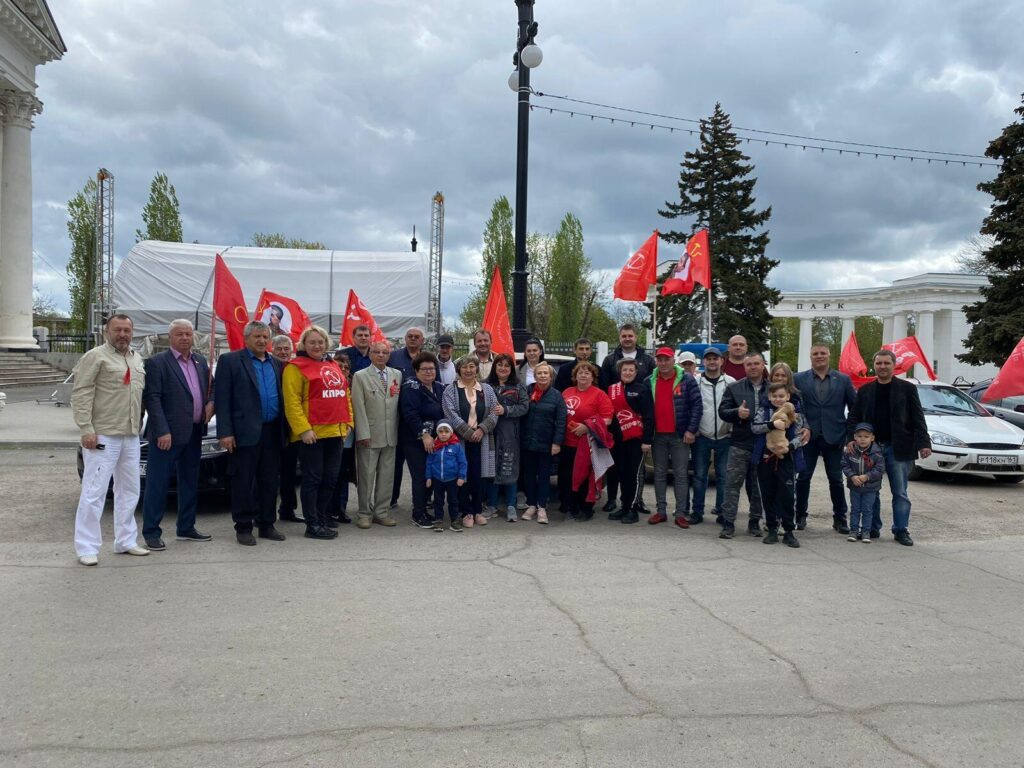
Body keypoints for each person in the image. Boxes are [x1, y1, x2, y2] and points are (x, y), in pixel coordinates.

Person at [71, 314, 150, 565]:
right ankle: (86, 547)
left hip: (130, 434)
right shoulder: (95, 356)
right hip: (103, 433)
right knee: (94, 491)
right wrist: (86, 428)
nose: (123, 334)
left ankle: (126, 540)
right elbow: (81, 393)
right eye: (118, 330)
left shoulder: (136, 358)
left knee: (129, 490)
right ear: (107, 331)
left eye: (127, 330)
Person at [141, 319, 214, 551]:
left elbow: (210, 388)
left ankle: (186, 527)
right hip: (167, 435)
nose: (184, 338)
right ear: (170, 337)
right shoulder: (157, 363)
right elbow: (152, 398)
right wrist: (162, 430)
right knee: (158, 483)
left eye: (188, 334)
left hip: (194, 432)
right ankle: (152, 532)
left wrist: (211, 403)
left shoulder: (200, 361)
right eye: (179, 334)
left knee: (189, 482)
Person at [846, 349, 931, 546]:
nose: (882, 367)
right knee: (871, 491)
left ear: (894, 365)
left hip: (898, 448)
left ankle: (901, 530)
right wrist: (850, 438)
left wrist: (924, 443)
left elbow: (918, 417)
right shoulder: (865, 390)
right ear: (874, 366)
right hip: (870, 450)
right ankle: (872, 527)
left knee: (900, 492)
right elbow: (854, 417)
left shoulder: (907, 389)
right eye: (879, 363)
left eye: (886, 363)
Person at [214, 320, 287, 546]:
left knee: (269, 481)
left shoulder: (276, 363)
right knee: (243, 482)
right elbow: (222, 399)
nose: (262, 341)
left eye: (265, 337)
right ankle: (244, 527)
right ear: (246, 339)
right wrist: (225, 432)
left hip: (272, 431)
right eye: (257, 337)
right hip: (243, 432)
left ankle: (266, 524)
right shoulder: (230, 361)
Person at [282, 326, 351, 540]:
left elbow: (345, 394)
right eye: (312, 342)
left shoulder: (332, 365)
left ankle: (322, 518)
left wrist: (349, 423)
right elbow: (292, 402)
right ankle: (312, 524)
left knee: (330, 478)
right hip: (312, 435)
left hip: (336, 432)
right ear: (303, 344)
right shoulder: (295, 368)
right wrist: (303, 429)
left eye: (320, 342)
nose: (317, 346)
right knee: (313, 479)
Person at [794, 343, 858, 534]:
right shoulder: (798, 378)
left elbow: (854, 409)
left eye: (823, 353)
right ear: (810, 356)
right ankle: (800, 515)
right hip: (807, 436)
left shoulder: (843, 380)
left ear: (829, 355)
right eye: (815, 353)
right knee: (803, 477)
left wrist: (850, 435)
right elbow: (794, 407)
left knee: (836, 479)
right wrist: (800, 427)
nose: (819, 356)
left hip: (834, 436)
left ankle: (840, 518)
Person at [642, 347, 702, 529]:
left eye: (666, 359)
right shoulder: (649, 380)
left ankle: (681, 513)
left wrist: (691, 430)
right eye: (660, 359)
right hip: (658, 435)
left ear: (673, 361)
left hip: (679, 435)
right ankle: (661, 511)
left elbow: (697, 406)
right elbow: (645, 411)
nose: (663, 363)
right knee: (659, 474)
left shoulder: (687, 379)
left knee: (681, 475)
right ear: (656, 361)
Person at [442, 356, 499, 528]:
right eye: (464, 367)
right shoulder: (451, 390)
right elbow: (450, 413)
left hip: (482, 439)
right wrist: (468, 432)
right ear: (458, 370)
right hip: (460, 441)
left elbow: (495, 411)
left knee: (479, 476)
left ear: (476, 369)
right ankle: (466, 511)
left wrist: (481, 429)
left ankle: (477, 510)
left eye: (472, 366)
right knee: (462, 475)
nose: (468, 370)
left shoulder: (486, 389)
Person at [351, 341, 402, 528]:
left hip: (390, 434)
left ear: (389, 355)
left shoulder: (397, 374)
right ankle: (364, 513)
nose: (381, 355)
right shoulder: (360, 376)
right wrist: (363, 433)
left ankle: (381, 512)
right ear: (370, 354)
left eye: (384, 352)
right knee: (366, 476)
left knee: (387, 477)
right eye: (377, 352)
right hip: (370, 434)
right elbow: (358, 406)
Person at [717, 352, 768, 539]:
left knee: (757, 488)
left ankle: (754, 522)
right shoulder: (734, 387)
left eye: (756, 363)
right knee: (732, 485)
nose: (753, 367)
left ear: (763, 365)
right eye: (749, 364)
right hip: (739, 443)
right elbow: (722, 411)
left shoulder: (772, 388)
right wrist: (736, 412)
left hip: (763, 446)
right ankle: (728, 523)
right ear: (744, 367)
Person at [751, 381, 807, 548]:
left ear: (788, 396)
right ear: (769, 396)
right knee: (768, 494)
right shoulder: (763, 411)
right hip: (766, 458)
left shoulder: (795, 414)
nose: (778, 399)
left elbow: (801, 436)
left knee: (787, 495)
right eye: (774, 396)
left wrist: (789, 447)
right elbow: (754, 427)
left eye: (781, 396)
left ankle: (789, 531)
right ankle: (772, 529)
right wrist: (771, 425)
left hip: (787, 459)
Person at [559, 361, 614, 521]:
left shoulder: (599, 394)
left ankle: (586, 508)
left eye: (587, 373)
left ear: (593, 377)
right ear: (575, 376)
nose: (583, 375)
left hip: (588, 444)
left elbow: (607, 419)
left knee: (585, 477)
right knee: (567, 476)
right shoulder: (567, 392)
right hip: (567, 443)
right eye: (580, 372)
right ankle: (571, 506)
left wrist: (587, 427)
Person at [398, 351, 446, 529]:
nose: (429, 372)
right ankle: (418, 514)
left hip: (436, 440)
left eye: (431, 368)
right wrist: (424, 434)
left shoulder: (439, 387)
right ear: (416, 371)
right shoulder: (411, 386)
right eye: (424, 369)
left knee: (431, 475)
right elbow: (410, 414)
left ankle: (424, 506)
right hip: (415, 441)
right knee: (420, 476)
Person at [689, 347, 735, 525]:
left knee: (723, 476)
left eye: (715, 358)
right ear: (703, 361)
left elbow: (735, 406)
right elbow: (690, 405)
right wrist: (693, 428)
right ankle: (697, 512)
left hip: (725, 436)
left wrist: (732, 428)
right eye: (708, 359)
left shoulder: (730, 382)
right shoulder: (696, 381)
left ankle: (722, 511)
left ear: (721, 361)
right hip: (702, 436)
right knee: (700, 476)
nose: (712, 362)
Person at [606, 358, 653, 524]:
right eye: (624, 370)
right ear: (620, 372)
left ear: (636, 372)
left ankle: (633, 508)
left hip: (636, 439)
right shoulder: (612, 389)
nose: (627, 373)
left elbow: (649, 416)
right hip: (618, 440)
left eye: (631, 370)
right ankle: (624, 506)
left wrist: (647, 440)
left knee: (633, 475)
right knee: (622, 474)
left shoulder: (642, 390)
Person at [486, 353, 529, 522]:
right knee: (491, 470)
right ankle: (492, 505)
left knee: (509, 468)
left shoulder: (518, 387)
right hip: (489, 434)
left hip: (510, 434)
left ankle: (511, 505)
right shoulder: (485, 385)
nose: (503, 368)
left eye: (506, 365)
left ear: (511, 369)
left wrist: (507, 410)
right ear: (494, 367)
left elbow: (525, 407)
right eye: (499, 365)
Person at [521, 362, 566, 525]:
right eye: (539, 373)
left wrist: (557, 442)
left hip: (547, 443)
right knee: (529, 475)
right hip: (527, 442)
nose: (542, 376)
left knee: (544, 476)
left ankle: (542, 507)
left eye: (545, 373)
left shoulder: (557, 395)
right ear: (534, 376)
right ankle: (531, 505)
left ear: (551, 376)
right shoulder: (527, 391)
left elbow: (561, 420)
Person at [389, 327, 427, 510]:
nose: (413, 339)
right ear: (405, 339)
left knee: (420, 464)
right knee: (396, 462)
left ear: (422, 340)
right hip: (396, 417)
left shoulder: (427, 358)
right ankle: (391, 498)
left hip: (420, 417)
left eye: (416, 337)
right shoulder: (393, 357)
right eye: (410, 336)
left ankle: (421, 500)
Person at [272, 335, 303, 523]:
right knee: (268, 473)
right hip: (272, 428)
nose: (283, 352)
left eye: (286, 348)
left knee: (289, 471)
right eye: (279, 349)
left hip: (291, 429)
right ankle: (263, 512)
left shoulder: (295, 368)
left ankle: (287, 509)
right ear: (272, 349)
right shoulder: (269, 367)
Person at [841, 423, 885, 542]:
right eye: (860, 436)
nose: (863, 439)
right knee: (855, 509)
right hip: (855, 487)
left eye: (866, 436)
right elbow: (845, 465)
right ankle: (853, 531)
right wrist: (852, 476)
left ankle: (866, 532)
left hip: (870, 488)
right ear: (855, 437)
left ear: (872, 438)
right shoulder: (850, 451)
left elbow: (880, 469)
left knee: (867, 510)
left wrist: (867, 476)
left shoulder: (877, 453)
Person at [327, 352, 355, 525]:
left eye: (346, 367)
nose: (343, 369)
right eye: (339, 366)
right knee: (332, 475)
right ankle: (328, 510)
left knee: (344, 474)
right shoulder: (328, 384)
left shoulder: (353, 384)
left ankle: (341, 509)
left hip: (349, 435)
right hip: (332, 434)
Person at [425, 420, 467, 532]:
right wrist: (428, 477)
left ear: (451, 432)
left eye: (446, 431)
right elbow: (429, 462)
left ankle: (454, 520)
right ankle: (439, 520)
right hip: (437, 479)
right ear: (437, 432)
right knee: (438, 501)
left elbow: (463, 462)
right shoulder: (434, 446)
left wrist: (461, 477)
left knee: (453, 500)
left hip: (452, 479)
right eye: (441, 431)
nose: (443, 434)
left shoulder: (456, 446)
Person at [599, 323, 656, 389]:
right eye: (624, 336)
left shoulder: (648, 360)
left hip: (642, 395)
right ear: (619, 338)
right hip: (615, 395)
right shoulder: (609, 360)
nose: (627, 339)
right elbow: (604, 385)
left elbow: (653, 383)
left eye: (630, 336)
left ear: (636, 337)